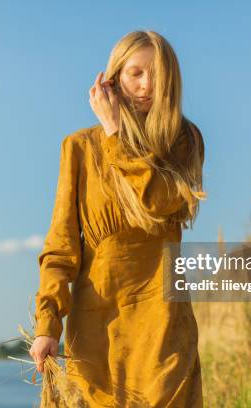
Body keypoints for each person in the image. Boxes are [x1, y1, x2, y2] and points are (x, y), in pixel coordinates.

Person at [29, 30, 206, 407]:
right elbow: (61, 245)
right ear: (112, 79)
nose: (146, 86)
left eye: (158, 75)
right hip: (95, 326)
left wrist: (114, 133)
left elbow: (158, 201)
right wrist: (47, 325)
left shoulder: (183, 141)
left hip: (162, 323)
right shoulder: (78, 148)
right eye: (136, 73)